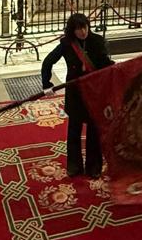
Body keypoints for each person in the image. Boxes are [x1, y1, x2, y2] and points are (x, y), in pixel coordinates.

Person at [41, 12, 114, 177]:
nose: (83, 32)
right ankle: (74, 165)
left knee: (94, 130)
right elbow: (48, 61)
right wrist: (47, 84)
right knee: (74, 129)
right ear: (72, 30)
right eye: (79, 29)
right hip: (75, 92)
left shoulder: (97, 41)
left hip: (94, 91)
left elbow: (105, 64)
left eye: (85, 27)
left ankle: (93, 166)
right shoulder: (67, 44)